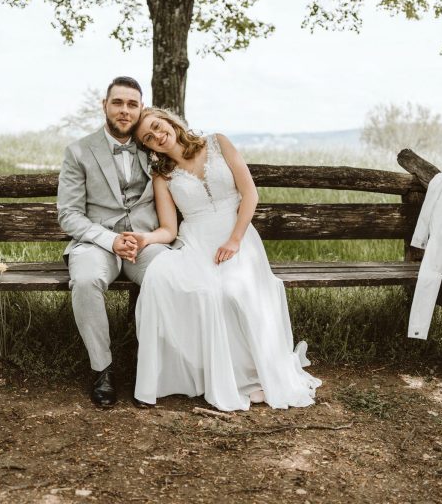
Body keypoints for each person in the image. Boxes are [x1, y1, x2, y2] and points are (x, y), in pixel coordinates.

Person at [128, 107, 322, 411]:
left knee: (234, 291)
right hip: (196, 243)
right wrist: (145, 239)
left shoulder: (217, 143)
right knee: (193, 290)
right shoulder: (162, 176)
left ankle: (256, 373)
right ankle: (225, 376)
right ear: (148, 147)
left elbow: (250, 194)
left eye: (157, 126)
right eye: (148, 138)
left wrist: (234, 239)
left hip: (238, 236)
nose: (157, 136)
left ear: (168, 120)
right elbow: (168, 229)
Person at [56, 77, 171, 408]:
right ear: (104, 106)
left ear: (141, 109)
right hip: (96, 242)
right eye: (118, 102)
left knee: (170, 276)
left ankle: (154, 369)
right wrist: (109, 240)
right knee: (86, 279)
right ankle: (102, 369)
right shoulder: (78, 151)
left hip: (146, 242)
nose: (125, 110)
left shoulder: (153, 145)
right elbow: (69, 215)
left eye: (132, 104)